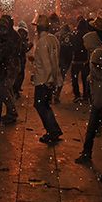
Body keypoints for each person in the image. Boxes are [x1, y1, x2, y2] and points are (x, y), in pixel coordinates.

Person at [31, 15, 63, 143]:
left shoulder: (41, 42)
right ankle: (54, 130)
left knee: (40, 105)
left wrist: (49, 81)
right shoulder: (53, 39)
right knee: (44, 105)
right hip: (50, 78)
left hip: (44, 80)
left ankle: (52, 131)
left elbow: (47, 64)